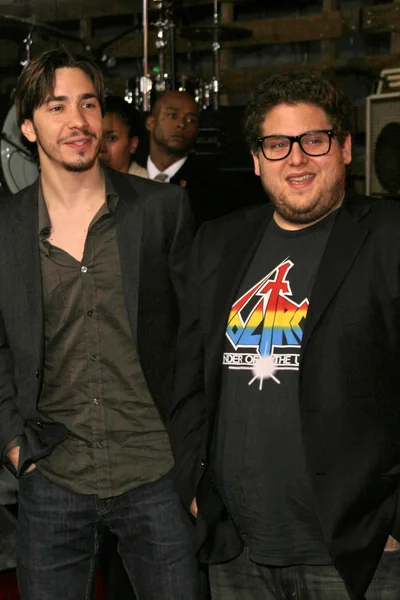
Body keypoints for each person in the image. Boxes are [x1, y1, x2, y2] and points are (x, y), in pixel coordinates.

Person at [168, 71, 400, 600]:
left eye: (313, 140)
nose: (296, 159)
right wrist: (193, 485)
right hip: (239, 550)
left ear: (343, 147)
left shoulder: (389, 238)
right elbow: (186, 380)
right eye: (277, 144)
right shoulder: (219, 242)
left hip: (358, 555)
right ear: (256, 159)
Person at [0, 48, 202, 600]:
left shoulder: (162, 211)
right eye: (56, 106)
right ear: (28, 127)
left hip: (156, 471)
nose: (77, 121)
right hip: (53, 476)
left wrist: (194, 455)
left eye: (88, 104)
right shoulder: (5, 228)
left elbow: (196, 337)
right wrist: (15, 446)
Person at [146, 90, 228, 230]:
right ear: (151, 123)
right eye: (173, 115)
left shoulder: (211, 186)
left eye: (191, 120)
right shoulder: (128, 173)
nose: (181, 124)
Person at [99, 95, 148, 178]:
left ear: (133, 144)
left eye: (112, 138)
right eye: (95, 137)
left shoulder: (151, 188)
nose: (101, 148)